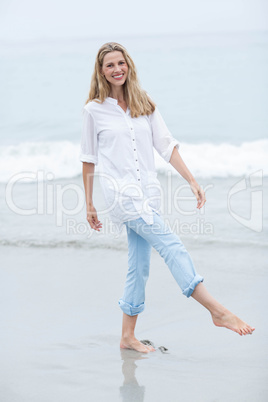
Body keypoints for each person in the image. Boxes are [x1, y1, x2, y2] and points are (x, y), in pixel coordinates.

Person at [80, 42, 255, 353]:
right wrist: (89, 203)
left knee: (139, 265)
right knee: (172, 245)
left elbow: (166, 145)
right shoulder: (93, 110)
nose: (117, 69)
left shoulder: (144, 102)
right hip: (122, 197)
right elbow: (88, 158)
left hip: (148, 194)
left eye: (121, 62)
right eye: (110, 65)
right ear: (101, 71)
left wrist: (191, 179)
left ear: (129, 65)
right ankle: (217, 311)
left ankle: (127, 337)